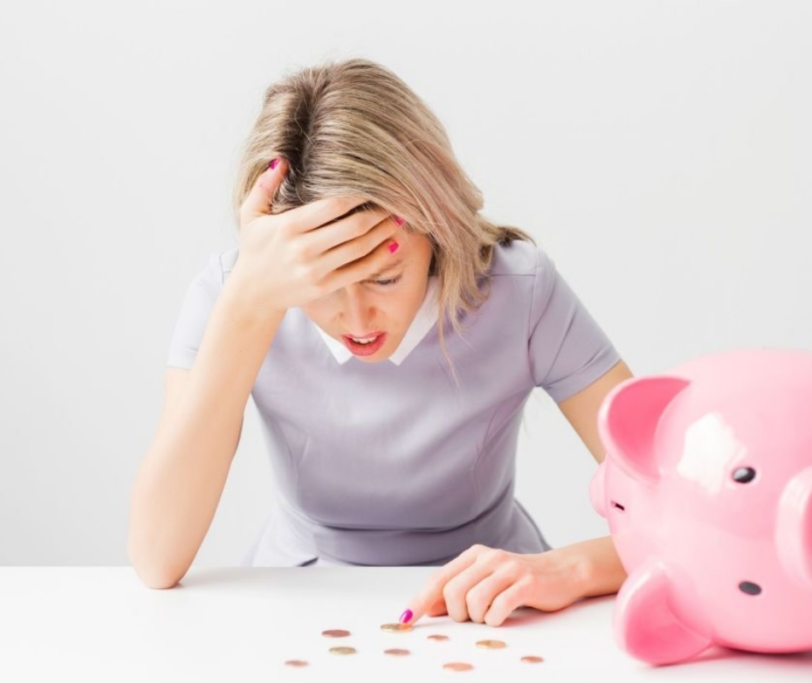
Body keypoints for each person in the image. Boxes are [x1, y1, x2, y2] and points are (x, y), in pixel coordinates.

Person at [128, 58, 633, 628]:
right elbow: (155, 557)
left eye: (385, 277)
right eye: (321, 286)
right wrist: (248, 306)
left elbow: (680, 503)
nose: (357, 316)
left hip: (492, 601)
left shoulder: (521, 290)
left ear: (437, 229)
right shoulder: (237, 295)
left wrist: (568, 569)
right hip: (297, 601)